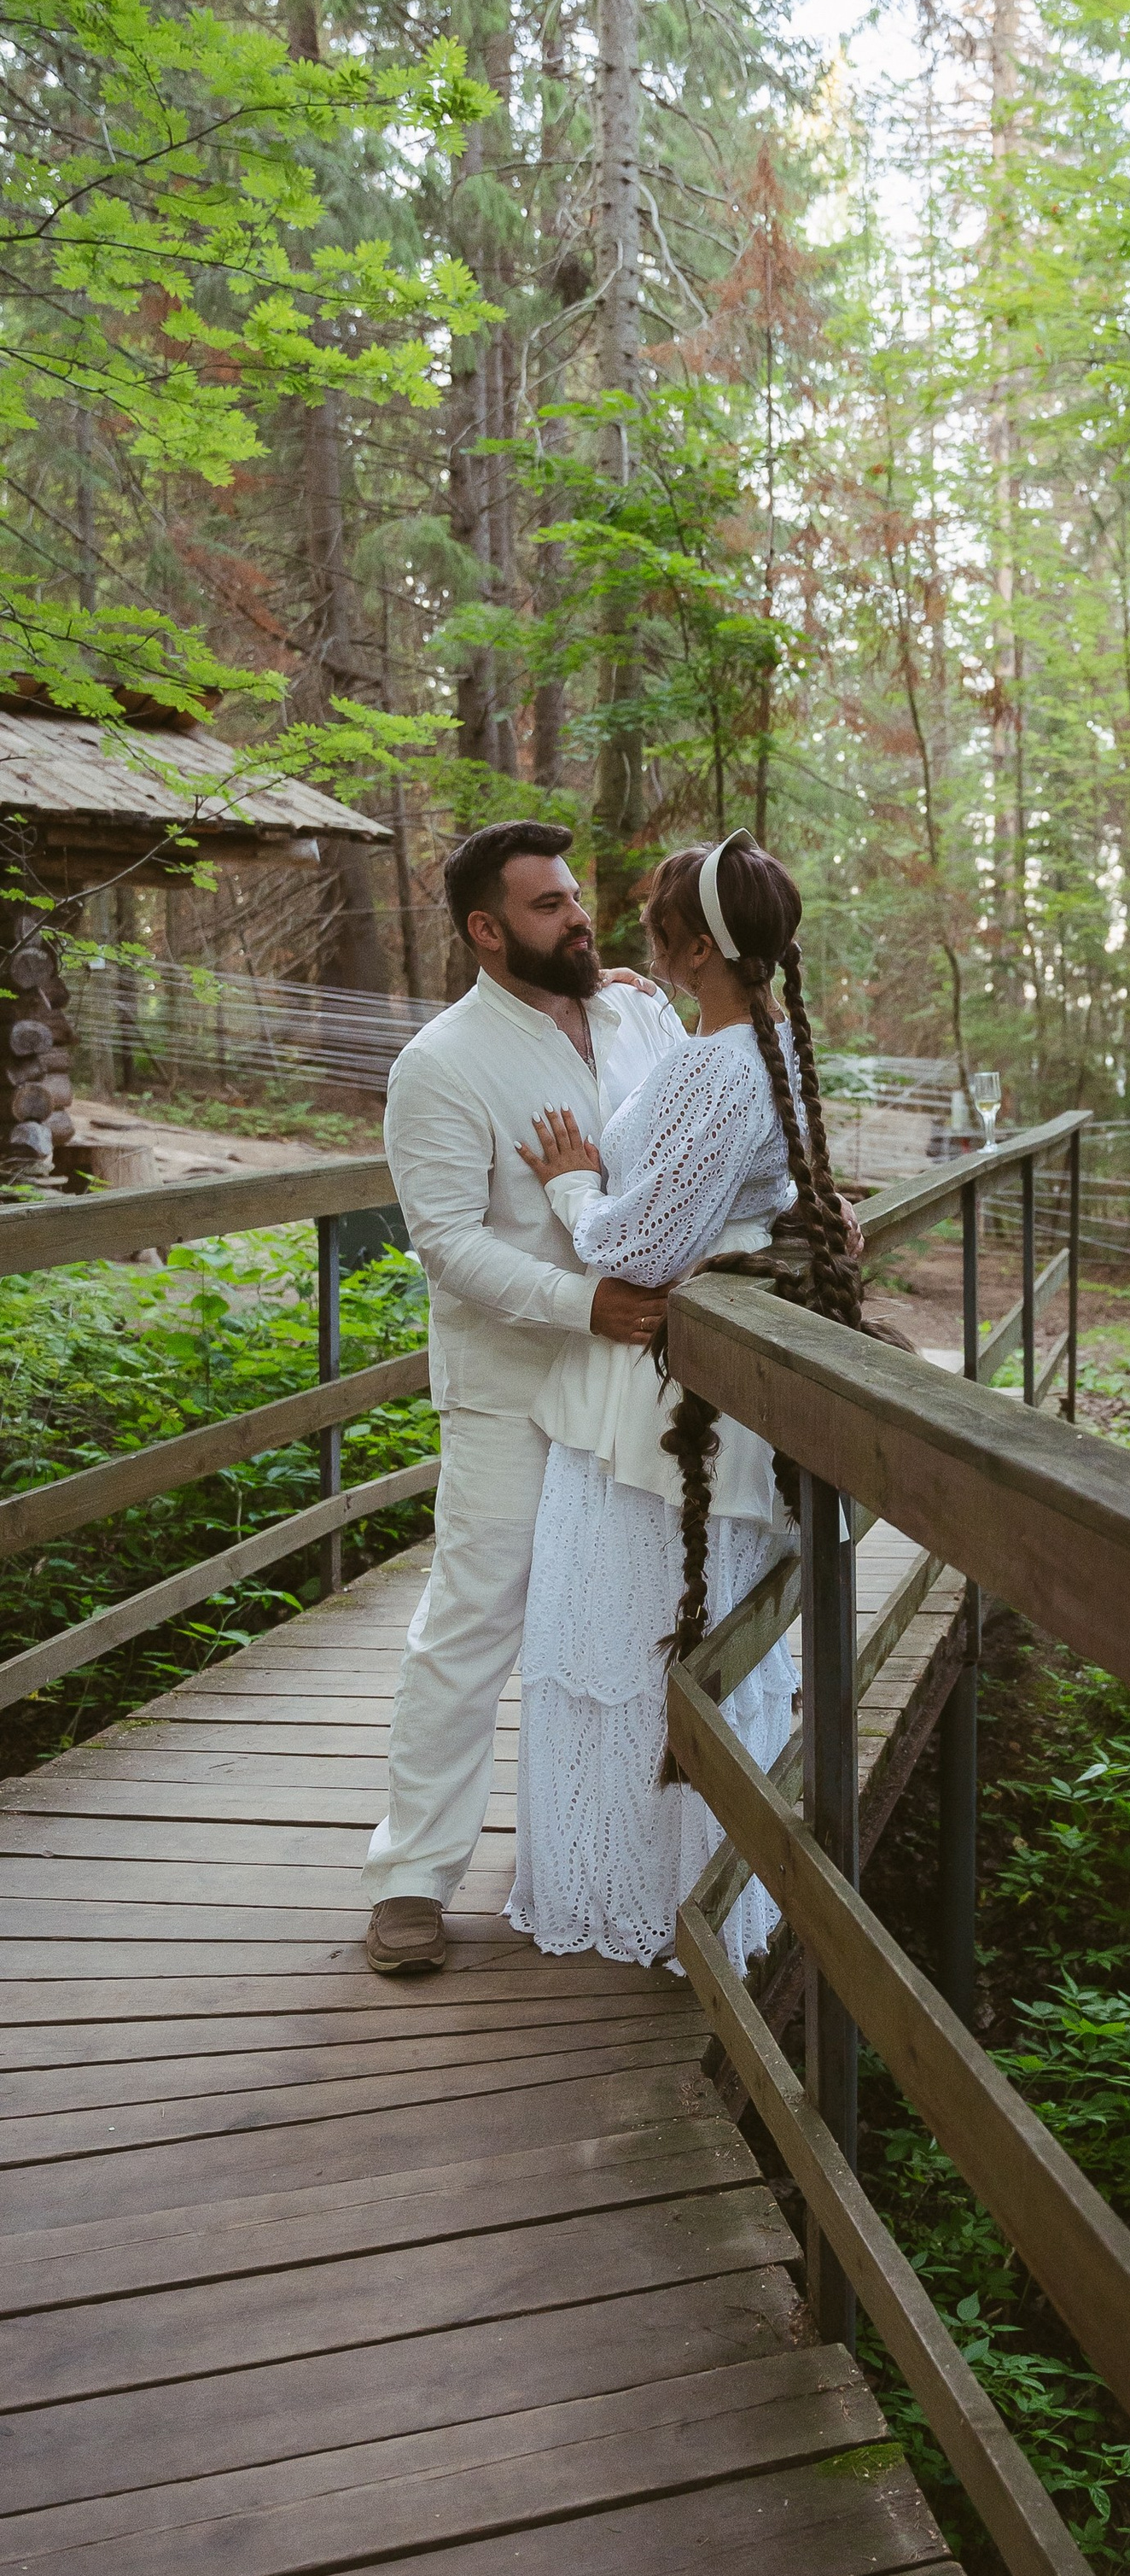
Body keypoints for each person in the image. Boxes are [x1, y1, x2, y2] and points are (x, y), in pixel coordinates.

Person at [504, 830, 865, 1969]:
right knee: (664, 1645)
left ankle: (661, 1907)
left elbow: (648, 1242)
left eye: (655, 918)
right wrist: (626, 1005)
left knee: (638, 1640)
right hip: (676, 1392)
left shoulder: (727, 1065)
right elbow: (705, 1147)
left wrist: (572, 1186)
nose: (633, 926)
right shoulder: (744, 1037)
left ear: (698, 947)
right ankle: (684, 1898)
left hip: (668, 1410)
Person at [361, 820, 687, 1978]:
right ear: (486, 931)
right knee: (474, 1617)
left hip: (636, 1385)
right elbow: (446, 1244)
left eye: (574, 898)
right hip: (515, 1380)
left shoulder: (633, 1013)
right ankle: (409, 1877)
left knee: (622, 1616)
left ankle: (609, 1853)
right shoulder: (442, 1065)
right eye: (547, 909)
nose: (578, 918)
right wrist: (580, 1302)